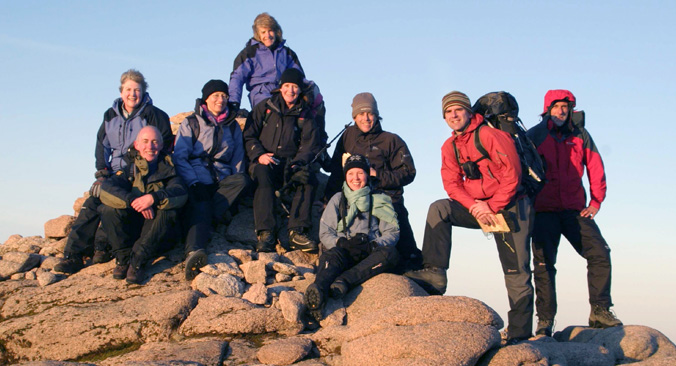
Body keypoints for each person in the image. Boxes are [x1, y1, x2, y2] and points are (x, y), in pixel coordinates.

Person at [405, 91, 534, 344]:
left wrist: (492, 206)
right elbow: (451, 185)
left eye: (458, 110)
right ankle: (434, 272)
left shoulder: (490, 135)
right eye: (448, 112)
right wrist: (475, 207)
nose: (453, 115)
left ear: (468, 111)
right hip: (480, 208)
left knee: (516, 271)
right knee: (439, 209)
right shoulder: (449, 146)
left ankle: (520, 334)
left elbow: (513, 175)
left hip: (511, 207)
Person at [55, 69, 173, 274]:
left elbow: (161, 146)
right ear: (121, 92)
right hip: (113, 173)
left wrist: (130, 169)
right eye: (128, 89)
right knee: (92, 203)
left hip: (138, 171)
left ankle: (106, 245)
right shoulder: (110, 115)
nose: (132, 94)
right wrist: (102, 173)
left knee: (112, 206)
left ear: (144, 92)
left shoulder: (154, 115)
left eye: (137, 89)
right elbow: (102, 145)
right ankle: (73, 255)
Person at [527, 89, 622, 336]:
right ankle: (545, 321)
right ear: (548, 109)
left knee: (600, 253)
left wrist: (596, 201)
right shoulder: (534, 136)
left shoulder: (580, 135)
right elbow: (521, 172)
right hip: (544, 211)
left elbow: (595, 166)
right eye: (557, 106)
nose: (561, 110)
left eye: (565, 107)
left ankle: (600, 310)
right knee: (543, 265)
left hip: (574, 210)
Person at [324, 93, 421, 272]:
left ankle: (412, 266)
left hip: (387, 198)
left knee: (403, 242)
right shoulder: (348, 136)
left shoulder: (392, 140)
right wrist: (327, 198)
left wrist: (378, 175)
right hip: (355, 199)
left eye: (369, 113)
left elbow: (408, 172)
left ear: (376, 115)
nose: (365, 118)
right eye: (360, 114)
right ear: (354, 117)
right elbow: (338, 170)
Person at [305, 154, 400, 321]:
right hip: (343, 251)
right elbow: (325, 232)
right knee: (330, 255)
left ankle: (343, 281)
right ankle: (318, 292)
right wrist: (340, 242)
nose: (355, 178)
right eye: (350, 174)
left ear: (367, 174)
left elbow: (392, 233)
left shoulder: (380, 200)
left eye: (360, 173)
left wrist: (372, 245)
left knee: (390, 253)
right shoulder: (338, 199)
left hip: (369, 252)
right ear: (345, 176)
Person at [173, 79, 251, 280]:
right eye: (216, 95)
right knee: (202, 203)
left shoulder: (232, 127)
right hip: (198, 177)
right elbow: (180, 157)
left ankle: (207, 216)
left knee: (242, 181)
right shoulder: (191, 123)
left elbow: (238, 158)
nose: (221, 100)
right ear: (205, 99)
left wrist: (234, 178)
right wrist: (193, 181)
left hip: (222, 179)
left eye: (224, 96)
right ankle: (194, 251)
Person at [243, 68, 322, 253]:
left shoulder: (306, 115)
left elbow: (309, 144)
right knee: (263, 177)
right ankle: (266, 233)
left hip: (291, 163)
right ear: (280, 87)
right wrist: (259, 155)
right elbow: (248, 136)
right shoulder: (265, 107)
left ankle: (297, 231)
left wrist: (299, 162)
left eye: (294, 86)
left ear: (300, 90)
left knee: (308, 179)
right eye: (287, 85)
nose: (290, 90)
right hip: (265, 160)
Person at [98, 126, 187, 284]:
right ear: (136, 145)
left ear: (161, 146)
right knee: (108, 208)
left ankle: (138, 261)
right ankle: (123, 258)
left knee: (168, 211)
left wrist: (153, 198)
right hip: (134, 226)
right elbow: (106, 189)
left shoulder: (170, 171)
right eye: (145, 141)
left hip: (157, 233)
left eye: (154, 142)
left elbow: (180, 192)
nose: (150, 146)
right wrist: (133, 201)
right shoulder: (129, 170)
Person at [229, 12, 304, 110]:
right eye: (263, 32)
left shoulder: (286, 53)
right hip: (261, 93)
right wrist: (234, 102)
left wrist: (310, 92)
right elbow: (237, 78)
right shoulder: (249, 53)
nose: (267, 35)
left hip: (282, 92)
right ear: (258, 35)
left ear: (276, 32)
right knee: (272, 111)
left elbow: (298, 75)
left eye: (270, 31)